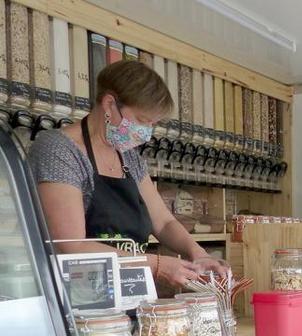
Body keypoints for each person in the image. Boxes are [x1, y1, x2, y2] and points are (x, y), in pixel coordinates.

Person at [28, 60, 224, 288]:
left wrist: (199, 254)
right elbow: (72, 246)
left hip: (130, 292)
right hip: (78, 298)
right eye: (142, 120)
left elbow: (163, 222)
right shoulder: (59, 150)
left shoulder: (129, 157)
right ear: (109, 104)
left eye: (153, 123)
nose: (147, 132)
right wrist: (156, 265)